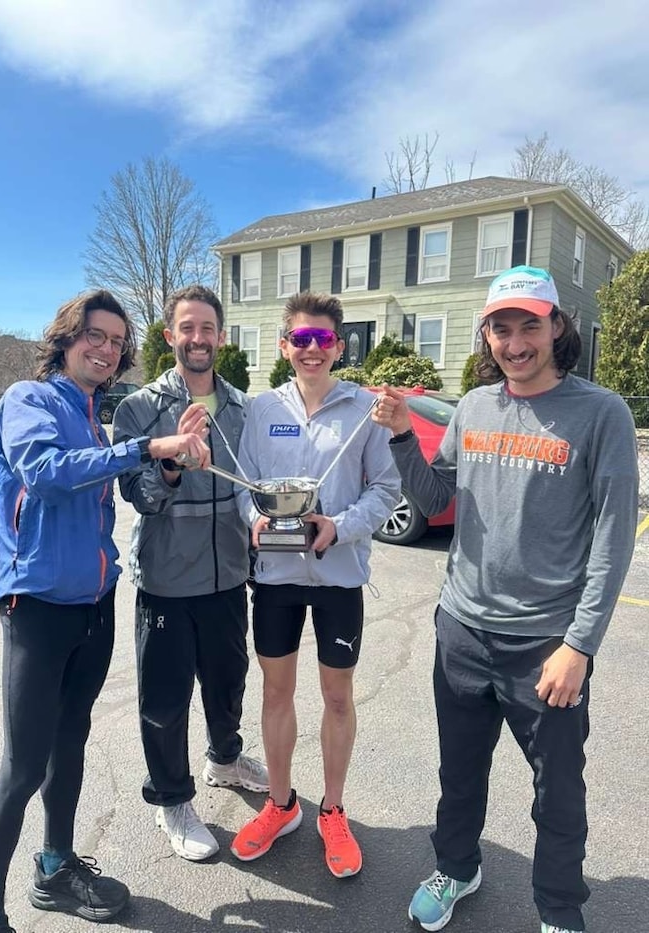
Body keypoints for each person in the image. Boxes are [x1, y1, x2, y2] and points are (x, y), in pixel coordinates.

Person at [373, 266, 639, 933]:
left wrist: (579, 645)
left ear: (556, 325)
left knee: (558, 793)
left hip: (545, 647)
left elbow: (613, 540)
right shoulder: (474, 407)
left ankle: (558, 910)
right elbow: (435, 500)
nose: (515, 342)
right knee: (459, 773)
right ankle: (457, 867)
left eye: (529, 324)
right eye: (501, 326)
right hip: (462, 630)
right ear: (486, 333)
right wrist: (404, 435)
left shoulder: (600, 412)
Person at [0, 290, 210, 933]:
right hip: (38, 608)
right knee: (22, 766)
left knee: (70, 743)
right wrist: (145, 449)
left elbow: (118, 493)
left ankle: (56, 867)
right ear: (66, 337)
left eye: (115, 341)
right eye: (93, 336)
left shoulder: (92, 412)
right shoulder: (29, 399)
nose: (105, 349)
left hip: (94, 605)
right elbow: (46, 473)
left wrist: (167, 467)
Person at [229, 291, 401, 878]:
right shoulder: (259, 409)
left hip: (338, 578)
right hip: (274, 577)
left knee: (335, 697)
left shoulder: (366, 410)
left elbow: (385, 488)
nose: (311, 349)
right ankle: (281, 805)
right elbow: (240, 484)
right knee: (275, 694)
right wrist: (251, 520)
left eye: (322, 339)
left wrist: (341, 527)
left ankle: (332, 809)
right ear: (284, 346)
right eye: (300, 339)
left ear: (339, 346)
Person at [113, 285, 268, 863]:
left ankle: (224, 759)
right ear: (169, 335)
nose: (198, 338)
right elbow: (139, 495)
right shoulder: (138, 409)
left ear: (221, 337)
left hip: (229, 574)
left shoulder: (242, 407)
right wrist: (174, 465)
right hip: (166, 580)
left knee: (228, 679)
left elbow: (253, 486)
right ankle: (173, 800)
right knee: (165, 697)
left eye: (208, 328)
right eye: (188, 328)